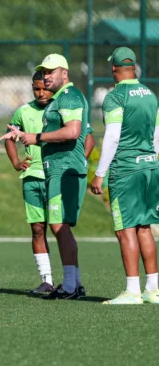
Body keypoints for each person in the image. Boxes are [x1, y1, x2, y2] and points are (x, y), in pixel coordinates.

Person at [2, 53, 91, 300]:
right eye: (44, 72)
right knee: (57, 227)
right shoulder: (59, 99)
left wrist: (35, 138)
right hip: (56, 170)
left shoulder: (70, 96)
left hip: (64, 171)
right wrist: (22, 136)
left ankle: (71, 287)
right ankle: (73, 285)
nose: (47, 77)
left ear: (65, 72)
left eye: (51, 72)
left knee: (58, 226)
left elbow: (73, 132)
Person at [91, 47, 159, 304]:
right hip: (150, 167)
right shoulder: (151, 96)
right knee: (145, 228)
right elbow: (157, 136)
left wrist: (100, 173)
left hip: (126, 170)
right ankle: (153, 289)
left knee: (125, 230)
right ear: (134, 68)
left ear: (114, 69)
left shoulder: (115, 96)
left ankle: (132, 291)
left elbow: (113, 137)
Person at [5, 71, 55, 293]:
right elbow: (8, 136)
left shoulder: (62, 109)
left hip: (56, 178)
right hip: (32, 179)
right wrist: (16, 162)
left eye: (45, 87)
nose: (41, 92)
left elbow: (87, 137)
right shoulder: (23, 111)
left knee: (59, 228)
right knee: (37, 229)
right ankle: (47, 280)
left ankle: (73, 279)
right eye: (37, 88)